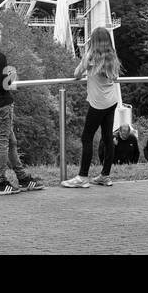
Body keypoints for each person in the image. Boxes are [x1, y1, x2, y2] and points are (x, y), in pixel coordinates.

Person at [0, 20, 45, 195]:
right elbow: (7, 85)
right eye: (0, 34)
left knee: (11, 141)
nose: (1, 36)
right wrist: (12, 75)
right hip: (3, 104)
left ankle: (22, 177)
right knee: (3, 142)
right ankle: (1, 181)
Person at [61, 26, 121, 188]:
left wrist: (85, 67)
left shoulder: (91, 56)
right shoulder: (112, 56)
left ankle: (82, 177)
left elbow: (76, 74)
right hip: (111, 101)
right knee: (108, 138)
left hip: (98, 103)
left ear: (93, 41)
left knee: (86, 138)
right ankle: (105, 175)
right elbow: (114, 76)